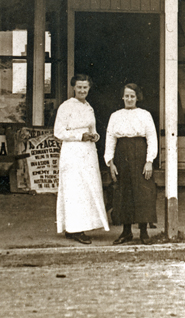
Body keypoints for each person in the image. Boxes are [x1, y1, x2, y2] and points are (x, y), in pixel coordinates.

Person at [53, 74, 109, 244]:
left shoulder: (89, 107)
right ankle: (74, 229)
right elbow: (58, 132)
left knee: (87, 189)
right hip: (72, 152)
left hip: (88, 152)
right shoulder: (66, 107)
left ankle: (77, 227)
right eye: (79, 87)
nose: (82, 90)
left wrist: (94, 136)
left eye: (85, 87)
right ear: (74, 88)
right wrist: (79, 136)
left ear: (89, 88)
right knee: (74, 190)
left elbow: (92, 128)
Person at [105, 83, 158, 245]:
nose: (129, 99)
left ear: (137, 98)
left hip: (140, 154)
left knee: (143, 192)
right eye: (126, 96)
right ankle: (126, 232)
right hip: (122, 155)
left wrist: (149, 161)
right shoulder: (115, 116)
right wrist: (110, 162)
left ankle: (143, 231)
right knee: (123, 192)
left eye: (132, 96)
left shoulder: (145, 115)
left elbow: (152, 138)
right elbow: (110, 139)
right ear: (123, 97)